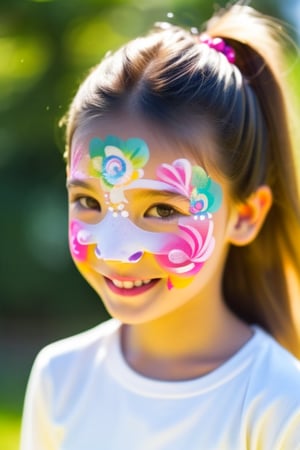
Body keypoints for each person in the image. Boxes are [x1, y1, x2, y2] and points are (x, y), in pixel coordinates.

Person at [20, 2, 300, 449]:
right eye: (88, 200)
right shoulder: (59, 379)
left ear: (246, 215)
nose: (114, 250)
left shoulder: (278, 402)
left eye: (163, 210)